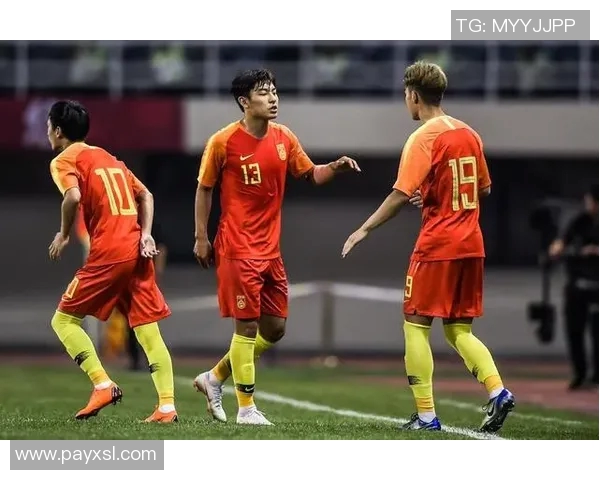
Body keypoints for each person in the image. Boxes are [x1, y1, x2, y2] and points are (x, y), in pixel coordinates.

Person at [341, 61, 515, 433]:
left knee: (415, 325)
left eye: (406, 95)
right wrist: (436, 190)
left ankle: (425, 416)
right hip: (472, 244)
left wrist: (363, 229)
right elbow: (483, 188)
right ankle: (498, 391)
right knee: (458, 330)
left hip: (438, 244)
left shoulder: (423, 137)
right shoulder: (469, 133)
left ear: (414, 96)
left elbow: (399, 194)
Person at [192, 69, 361, 426]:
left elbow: (311, 174)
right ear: (244, 102)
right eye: (263, 93)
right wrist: (201, 237)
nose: (273, 98)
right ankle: (246, 409)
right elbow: (204, 188)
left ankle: (214, 377)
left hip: (270, 250)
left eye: (274, 91)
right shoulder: (223, 141)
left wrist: (335, 167)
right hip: (238, 247)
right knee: (246, 328)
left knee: (275, 329)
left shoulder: (284, 137)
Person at [46, 100, 177, 423]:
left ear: (58, 131)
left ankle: (102, 384)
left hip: (110, 251)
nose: (47, 132)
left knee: (63, 321)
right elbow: (146, 195)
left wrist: (63, 233)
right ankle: (166, 406)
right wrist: (147, 235)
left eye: (48, 126)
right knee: (147, 329)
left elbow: (73, 197)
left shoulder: (63, 160)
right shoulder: (109, 158)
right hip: (136, 247)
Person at [548, 185, 599, 390]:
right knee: (574, 330)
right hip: (577, 284)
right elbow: (559, 245)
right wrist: (563, 249)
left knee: (597, 332)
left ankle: (596, 375)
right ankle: (580, 373)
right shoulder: (578, 222)